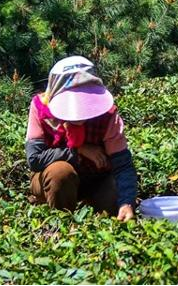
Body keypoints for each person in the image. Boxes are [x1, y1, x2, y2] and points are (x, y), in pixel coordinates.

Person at [25, 56, 138, 221]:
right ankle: (61, 220)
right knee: (60, 174)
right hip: (54, 179)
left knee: (116, 194)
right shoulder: (40, 108)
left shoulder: (108, 115)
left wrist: (126, 203)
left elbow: (123, 165)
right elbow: (34, 158)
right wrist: (78, 151)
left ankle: (95, 212)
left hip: (96, 179)